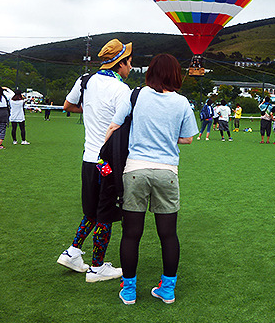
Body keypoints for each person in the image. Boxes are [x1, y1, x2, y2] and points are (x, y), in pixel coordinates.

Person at [105, 54, 197, 305]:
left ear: (151, 72)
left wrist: (101, 155)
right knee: (168, 234)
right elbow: (188, 138)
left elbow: (114, 126)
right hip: (167, 172)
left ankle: (129, 290)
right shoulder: (182, 103)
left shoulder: (136, 95)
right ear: (176, 74)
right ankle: (167, 289)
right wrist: (166, 136)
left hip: (135, 170)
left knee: (131, 234)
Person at [56, 38, 132, 282]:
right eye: (129, 63)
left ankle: (73, 252)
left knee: (91, 211)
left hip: (89, 158)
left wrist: (89, 111)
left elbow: (68, 105)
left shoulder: (85, 80)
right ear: (120, 64)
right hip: (108, 160)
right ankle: (97, 267)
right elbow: (124, 123)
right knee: (105, 214)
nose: (130, 68)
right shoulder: (122, 90)